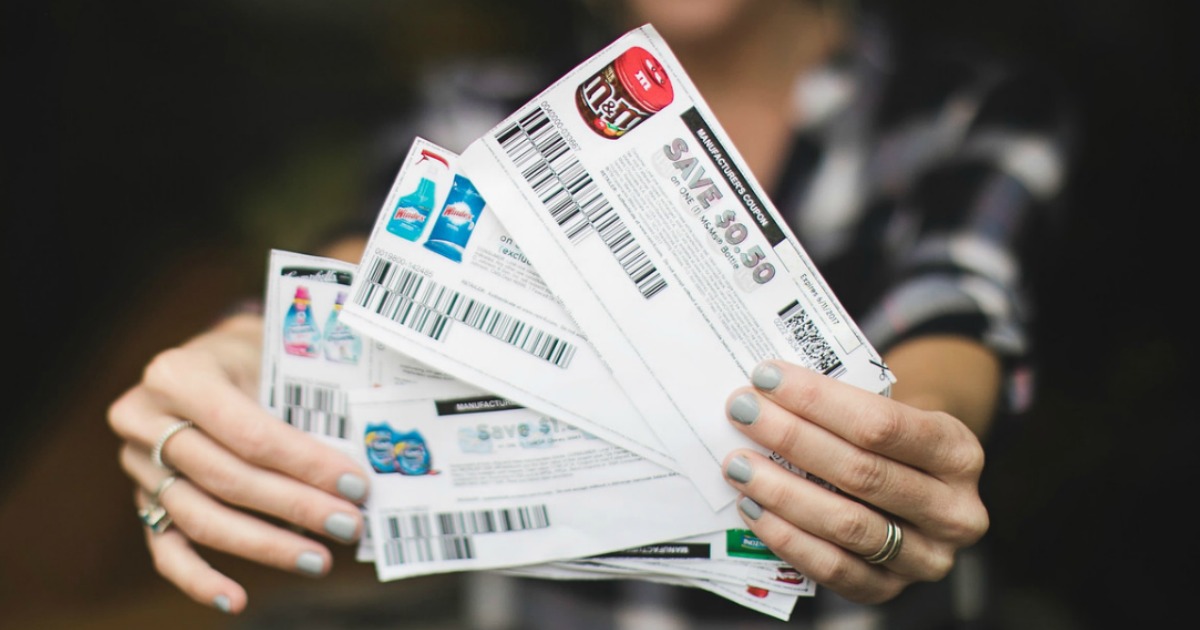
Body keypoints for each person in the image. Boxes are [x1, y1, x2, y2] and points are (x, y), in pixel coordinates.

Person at [107, 0, 1073, 627]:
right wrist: (249, 346)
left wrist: (921, 437)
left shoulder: (970, 113)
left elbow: (957, 301)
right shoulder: (476, 106)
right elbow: (369, 263)